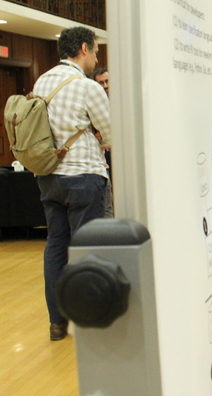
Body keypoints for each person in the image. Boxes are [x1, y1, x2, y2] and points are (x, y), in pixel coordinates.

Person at [33, 26, 111, 341]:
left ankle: (57, 322)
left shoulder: (42, 81)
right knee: (86, 249)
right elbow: (111, 133)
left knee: (55, 247)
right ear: (82, 48)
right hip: (84, 177)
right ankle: (88, 317)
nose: (95, 58)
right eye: (94, 52)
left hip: (49, 178)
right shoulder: (88, 87)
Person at [92, 67, 113, 218]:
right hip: (102, 154)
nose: (105, 86)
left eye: (107, 81)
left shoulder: (122, 100)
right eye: (100, 83)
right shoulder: (94, 102)